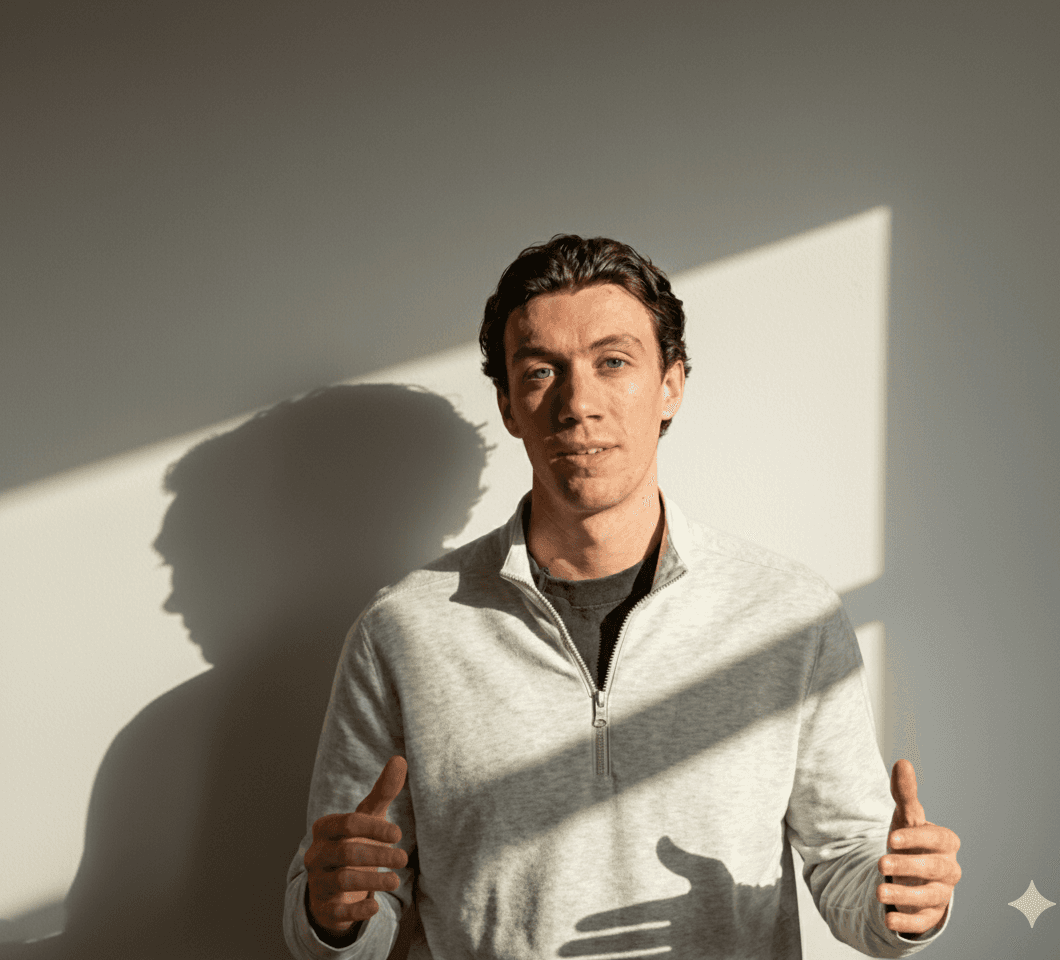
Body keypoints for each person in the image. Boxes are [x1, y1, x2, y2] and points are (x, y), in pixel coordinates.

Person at [283, 235, 962, 959]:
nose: (579, 404)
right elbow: (346, 907)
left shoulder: (792, 617)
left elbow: (851, 869)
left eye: (613, 362)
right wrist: (335, 916)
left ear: (671, 383)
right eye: (542, 370)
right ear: (510, 404)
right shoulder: (402, 632)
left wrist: (904, 902)